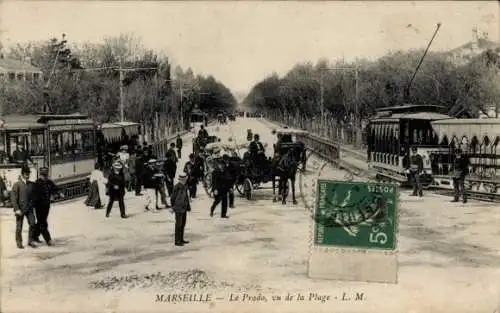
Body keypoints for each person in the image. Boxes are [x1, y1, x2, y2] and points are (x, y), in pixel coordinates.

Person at [11, 165, 37, 248]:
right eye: (26, 174)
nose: (28, 175)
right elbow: (13, 198)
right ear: (22, 174)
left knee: (33, 223)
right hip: (20, 209)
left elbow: (33, 195)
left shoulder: (31, 184)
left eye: (28, 173)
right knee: (19, 227)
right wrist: (16, 209)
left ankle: (31, 240)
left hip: (29, 208)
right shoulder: (17, 184)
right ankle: (19, 242)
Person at [33, 167, 57, 246]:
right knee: (43, 222)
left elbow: (55, 189)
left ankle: (34, 236)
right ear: (40, 174)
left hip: (47, 206)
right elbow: (35, 196)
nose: (44, 176)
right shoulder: (37, 183)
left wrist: (56, 194)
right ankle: (48, 240)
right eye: (43, 175)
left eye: (45, 174)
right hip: (39, 206)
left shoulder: (49, 182)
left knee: (41, 222)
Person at [170, 172, 191, 246]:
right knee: (178, 224)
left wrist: (188, 206)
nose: (184, 181)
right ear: (180, 180)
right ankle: (177, 241)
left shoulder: (185, 187)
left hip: (184, 207)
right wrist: (172, 207)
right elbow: (172, 198)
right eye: (183, 180)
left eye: (185, 179)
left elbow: (186, 198)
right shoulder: (176, 187)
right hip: (178, 208)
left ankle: (181, 239)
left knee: (183, 224)